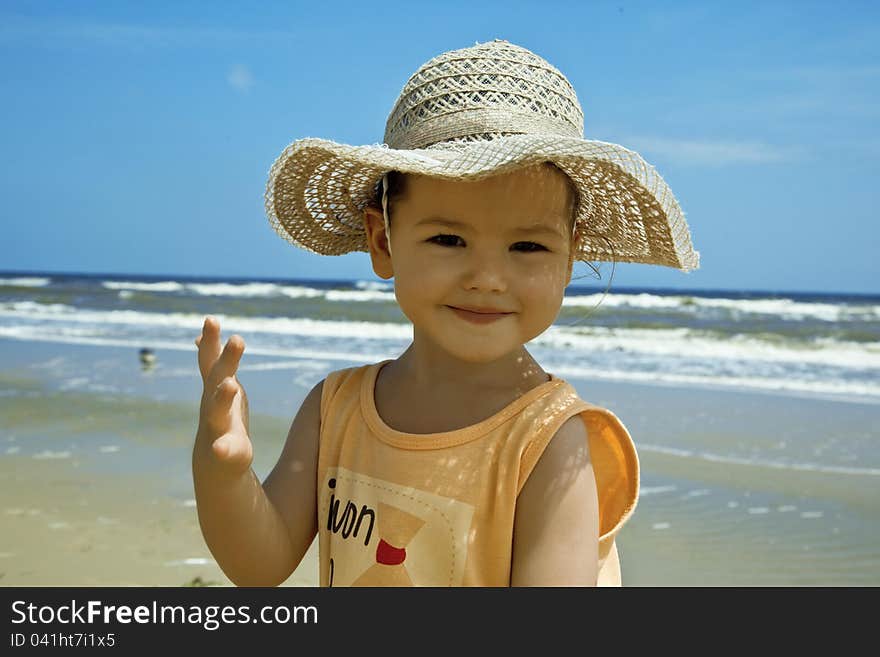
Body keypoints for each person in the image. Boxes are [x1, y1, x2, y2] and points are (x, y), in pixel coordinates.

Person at [192, 40, 699, 587]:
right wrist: (224, 475)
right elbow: (259, 565)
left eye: (528, 247)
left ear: (571, 256)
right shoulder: (335, 410)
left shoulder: (547, 441)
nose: (487, 277)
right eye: (448, 238)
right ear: (383, 242)